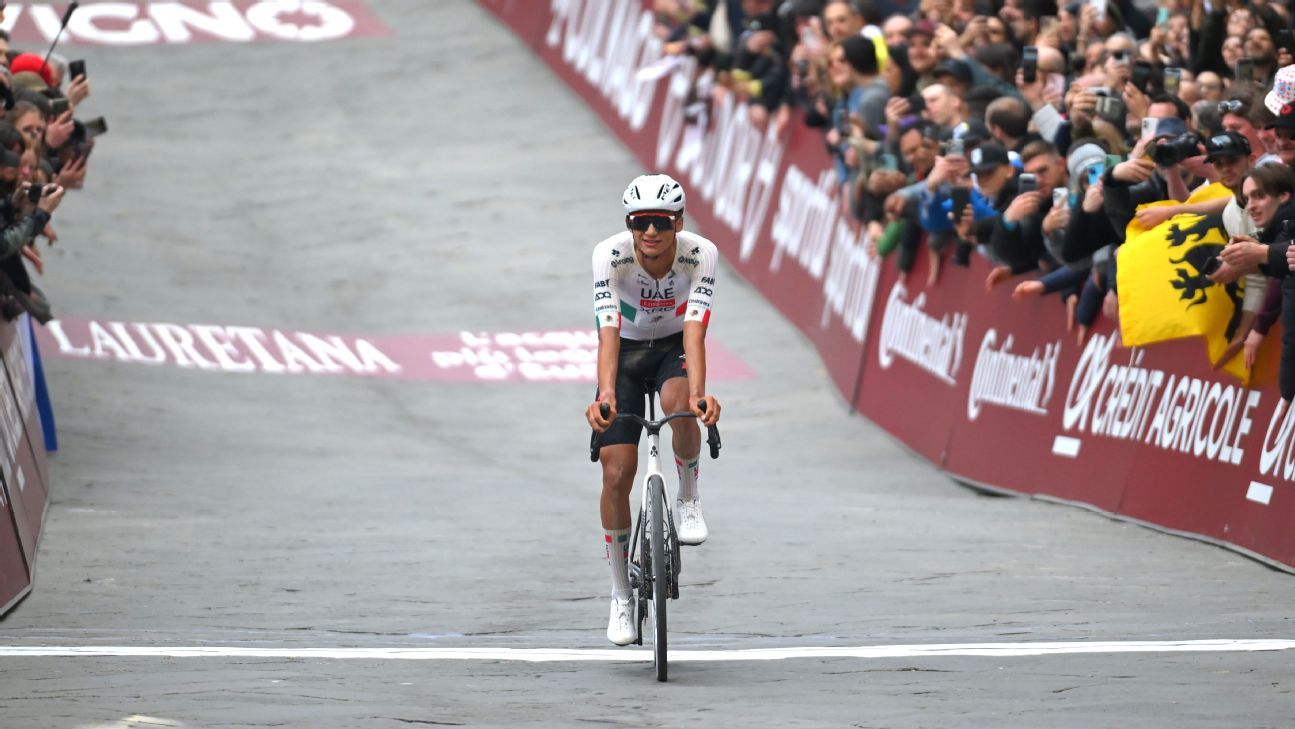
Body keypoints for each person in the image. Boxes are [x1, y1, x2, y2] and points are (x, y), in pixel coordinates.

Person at [586, 174, 722, 646]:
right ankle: (621, 594)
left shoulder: (700, 254)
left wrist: (700, 394)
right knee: (616, 472)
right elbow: (606, 334)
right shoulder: (610, 256)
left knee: (679, 404)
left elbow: (695, 332)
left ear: (678, 223)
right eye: (639, 221)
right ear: (629, 224)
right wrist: (605, 396)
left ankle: (688, 496)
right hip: (624, 353)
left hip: (672, 347)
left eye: (660, 222)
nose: (649, 231)